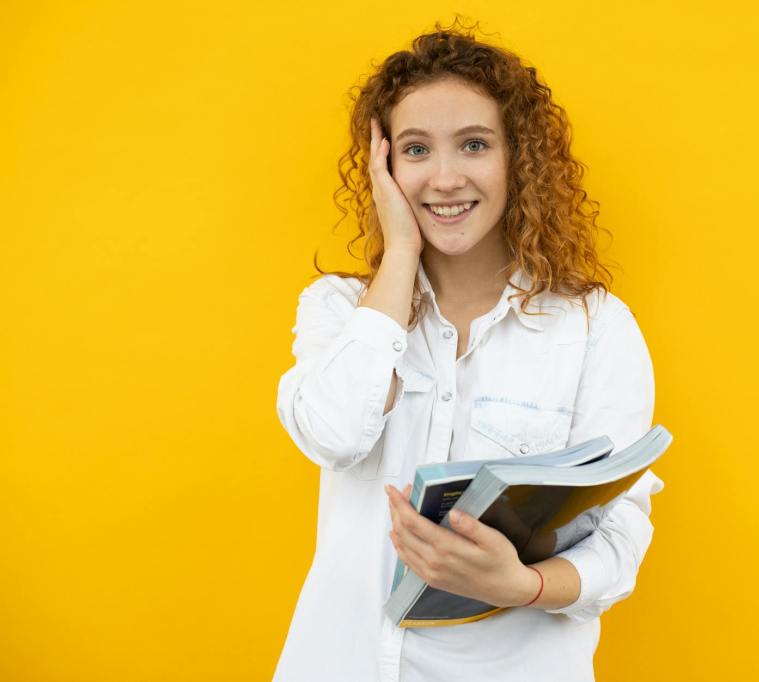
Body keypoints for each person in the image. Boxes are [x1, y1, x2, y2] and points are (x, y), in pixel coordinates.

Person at [273, 18, 665, 682]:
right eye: (417, 150)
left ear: (517, 158)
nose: (445, 177)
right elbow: (334, 435)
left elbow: (620, 532)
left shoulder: (595, 326)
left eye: (474, 144)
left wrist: (526, 586)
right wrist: (399, 254)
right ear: (384, 164)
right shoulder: (341, 311)